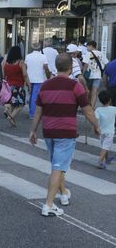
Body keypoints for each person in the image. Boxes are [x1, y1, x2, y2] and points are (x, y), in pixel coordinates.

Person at [30, 53, 100, 217]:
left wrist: (33, 130)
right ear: (70, 68)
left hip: (48, 132)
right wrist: (96, 125)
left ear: (56, 66)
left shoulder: (45, 85)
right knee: (58, 167)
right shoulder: (75, 86)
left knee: (57, 165)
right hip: (66, 133)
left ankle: (64, 194)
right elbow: (88, 110)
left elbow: (38, 110)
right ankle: (48, 205)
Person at [2, 46, 30, 127]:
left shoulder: (6, 63)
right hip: (18, 86)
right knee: (21, 104)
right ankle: (11, 117)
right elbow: (25, 75)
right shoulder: (21, 63)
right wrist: (29, 85)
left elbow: (4, 75)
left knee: (13, 102)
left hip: (9, 85)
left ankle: (9, 113)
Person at [25, 42, 49, 119]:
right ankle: (33, 113)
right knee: (35, 97)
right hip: (40, 79)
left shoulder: (28, 56)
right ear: (40, 48)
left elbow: (25, 67)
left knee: (31, 95)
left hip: (29, 78)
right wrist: (48, 76)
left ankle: (31, 111)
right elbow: (45, 67)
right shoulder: (43, 56)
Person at [94, 90, 116, 169]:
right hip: (109, 132)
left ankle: (107, 159)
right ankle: (100, 162)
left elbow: (95, 120)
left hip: (101, 131)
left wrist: (95, 129)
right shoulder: (114, 109)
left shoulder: (98, 109)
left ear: (100, 100)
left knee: (104, 145)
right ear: (110, 99)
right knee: (105, 147)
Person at [85, 41, 109, 108]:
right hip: (98, 76)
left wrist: (83, 73)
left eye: (87, 46)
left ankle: (87, 106)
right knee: (94, 92)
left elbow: (86, 65)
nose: (87, 48)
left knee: (88, 91)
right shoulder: (101, 54)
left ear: (91, 46)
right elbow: (107, 63)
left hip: (89, 76)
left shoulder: (88, 54)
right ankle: (92, 107)